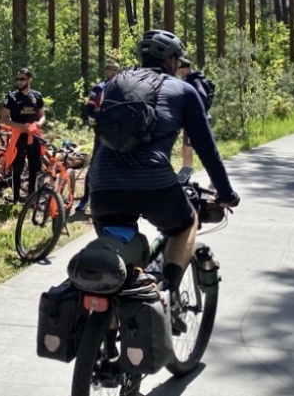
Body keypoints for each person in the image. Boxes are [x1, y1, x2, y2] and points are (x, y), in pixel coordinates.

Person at [88, 30, 239, 331]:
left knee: (120, 258)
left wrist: (91, 190)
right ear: (171, 60)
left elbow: (98, 144)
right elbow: (207, 151)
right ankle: (168, 292)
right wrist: (226, 193)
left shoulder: (113, 84)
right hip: (153, 183)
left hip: (103, 185)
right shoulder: (183, 91)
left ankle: (108, 333)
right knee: (184, 223)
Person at [78, 59, 121, 213]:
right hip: (102, 132)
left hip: (117, 133)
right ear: (106, 71)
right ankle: (85, 199)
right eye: (111, 70)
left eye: (116, 70)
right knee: (95, 164)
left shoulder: (122, 88)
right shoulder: (99, 88)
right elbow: (89, 110)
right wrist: (101, 117)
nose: (113, 73)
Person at [0, 67, 46, 204]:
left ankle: (33, 197)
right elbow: (3, 118)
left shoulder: (37, 96)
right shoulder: (12, 97)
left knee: (35, 167)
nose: (19, 82)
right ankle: (14, 199)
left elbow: (42, 116)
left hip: (34, 136)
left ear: (30, 80)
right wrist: (22, 127)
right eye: (17, 79)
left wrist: (37, 125)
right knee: (17, 168)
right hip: (18, 136)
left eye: (22, 79)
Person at [174, 57, 212, 180]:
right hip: (198, 120)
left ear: (184, 69)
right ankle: (186, 178)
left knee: (193, 151)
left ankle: (212, 182)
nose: (177, 72)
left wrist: (193, 113)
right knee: (188, 149)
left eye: (179, 69)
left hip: (197, 122)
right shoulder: (195, 79)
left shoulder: (193, 81)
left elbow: (203, 99)